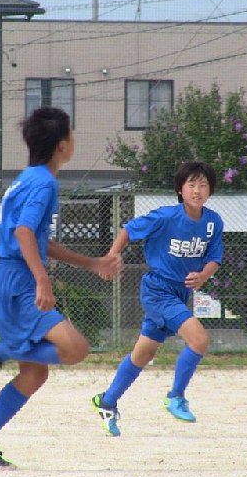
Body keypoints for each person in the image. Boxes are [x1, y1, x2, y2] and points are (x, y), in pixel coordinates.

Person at [0, 106, 122, 470]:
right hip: (18, 281)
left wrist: (92, 263)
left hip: (8, 275)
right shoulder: (45, 183)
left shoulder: (28, 178)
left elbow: (37, 239)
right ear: (62, 145)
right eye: (72, 135)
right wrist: (42, 280)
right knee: (76, 348)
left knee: (34, 373)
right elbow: (24, 232)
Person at [92, 161, 224, 437]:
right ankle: (175, 397)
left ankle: (107, 401)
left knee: (144, 353)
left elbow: (214, 257)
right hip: (158, 291)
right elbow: (129, 230)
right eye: (191, 184)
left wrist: (203, 275)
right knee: (199, 340)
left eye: (203, 185)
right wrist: (112, 255)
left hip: (180, 293)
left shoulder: (213, 222)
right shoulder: (165, 217)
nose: (197, 190)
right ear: (180, 190)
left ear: (210, 190)